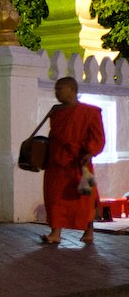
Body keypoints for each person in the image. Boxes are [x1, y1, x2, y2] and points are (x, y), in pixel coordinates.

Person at [42, 76, 105, 244]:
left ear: (72, 89)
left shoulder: (90, 112)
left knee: (83, 200)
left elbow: (98, 137)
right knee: (54, 197)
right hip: (56, 160)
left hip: (78, 162)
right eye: (56, 90)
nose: (57, 93)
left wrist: (90, 152)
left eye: (60, 89)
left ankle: (89, 231)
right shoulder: (56, 111)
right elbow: (54, 135)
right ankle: (55, 233)